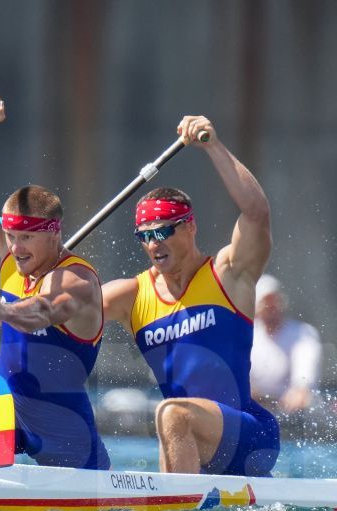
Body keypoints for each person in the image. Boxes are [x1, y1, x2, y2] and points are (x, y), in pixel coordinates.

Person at [0, 93, 110, 470]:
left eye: (26, 237)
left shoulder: (76, 280)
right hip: (8, 414)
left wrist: (1, 310)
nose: (15, 247)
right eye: (10, 236)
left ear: (54, 233)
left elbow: (43, 311)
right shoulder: (10, 255)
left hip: (65, 432)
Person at [102, 115, 278, 477]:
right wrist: (5, 309)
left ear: (191, 227)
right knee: (174, 417)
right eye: (145, 235)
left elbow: (256, 213)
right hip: (191, 440)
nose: (154, 243)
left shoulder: (228, 274)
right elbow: (61, 310)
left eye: (164, 231)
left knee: (172, 412)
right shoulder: (133, 295)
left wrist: (212, 146)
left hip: (251, 435)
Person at [250, 273, 322, 413]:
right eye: (266, 302)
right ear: (256, 307)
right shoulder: (247, 334)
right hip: (256, 404)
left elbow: (304, 377)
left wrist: (300, 389)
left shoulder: (303, 333)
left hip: (293, 409)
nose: (271, 307)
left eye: (274, 301)